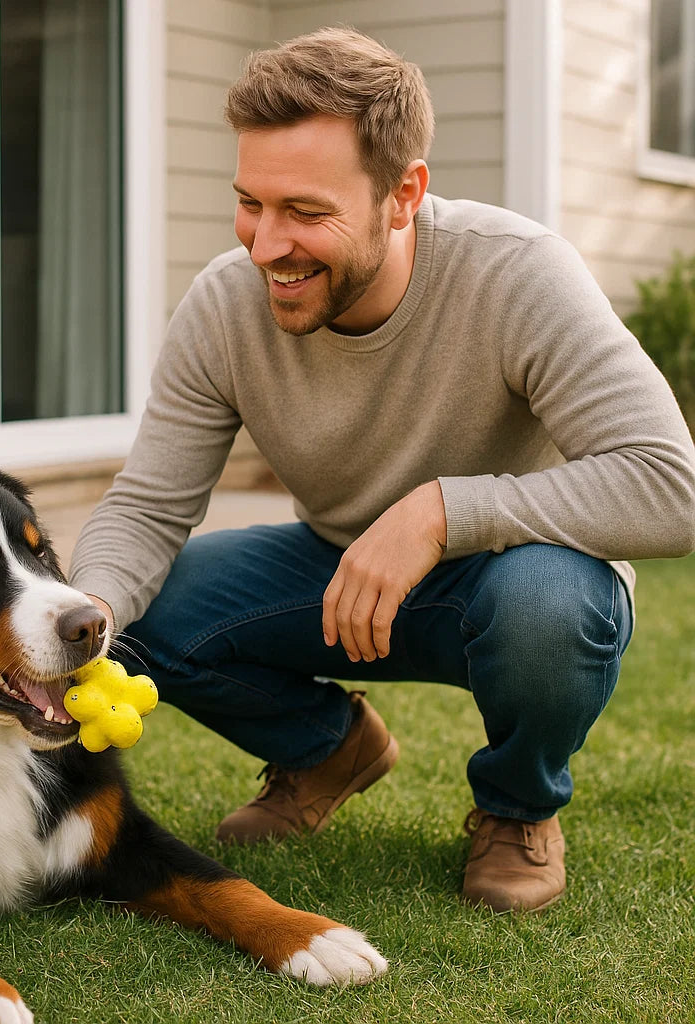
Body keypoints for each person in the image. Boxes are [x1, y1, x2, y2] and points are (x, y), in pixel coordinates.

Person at [68, 27, 695, 913]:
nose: (265, 246)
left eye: (306, 213)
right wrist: (85, 609)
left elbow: (674, 486)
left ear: (404, 196)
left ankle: (517, 809)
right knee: (147, 608)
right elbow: (147, 505)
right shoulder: (223, 303)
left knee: (552, 606)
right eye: (251, 202)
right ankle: (328, 748)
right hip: (336, 574)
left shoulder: (518, 275)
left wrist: (442, 511)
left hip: (518, 576)